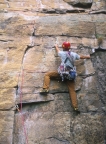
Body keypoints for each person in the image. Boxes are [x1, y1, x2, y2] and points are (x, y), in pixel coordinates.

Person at [40, 42, 90, 114]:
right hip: (70, 76)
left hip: (62, 74)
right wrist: (87, 57)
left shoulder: (62, 53)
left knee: (48, 75)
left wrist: (56, 46)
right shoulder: (73, 54)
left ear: (63, 47)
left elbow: (58, 51)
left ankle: (45, 89)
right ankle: (75, 107)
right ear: (69, 48)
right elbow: (80, 57)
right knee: (72, 91)